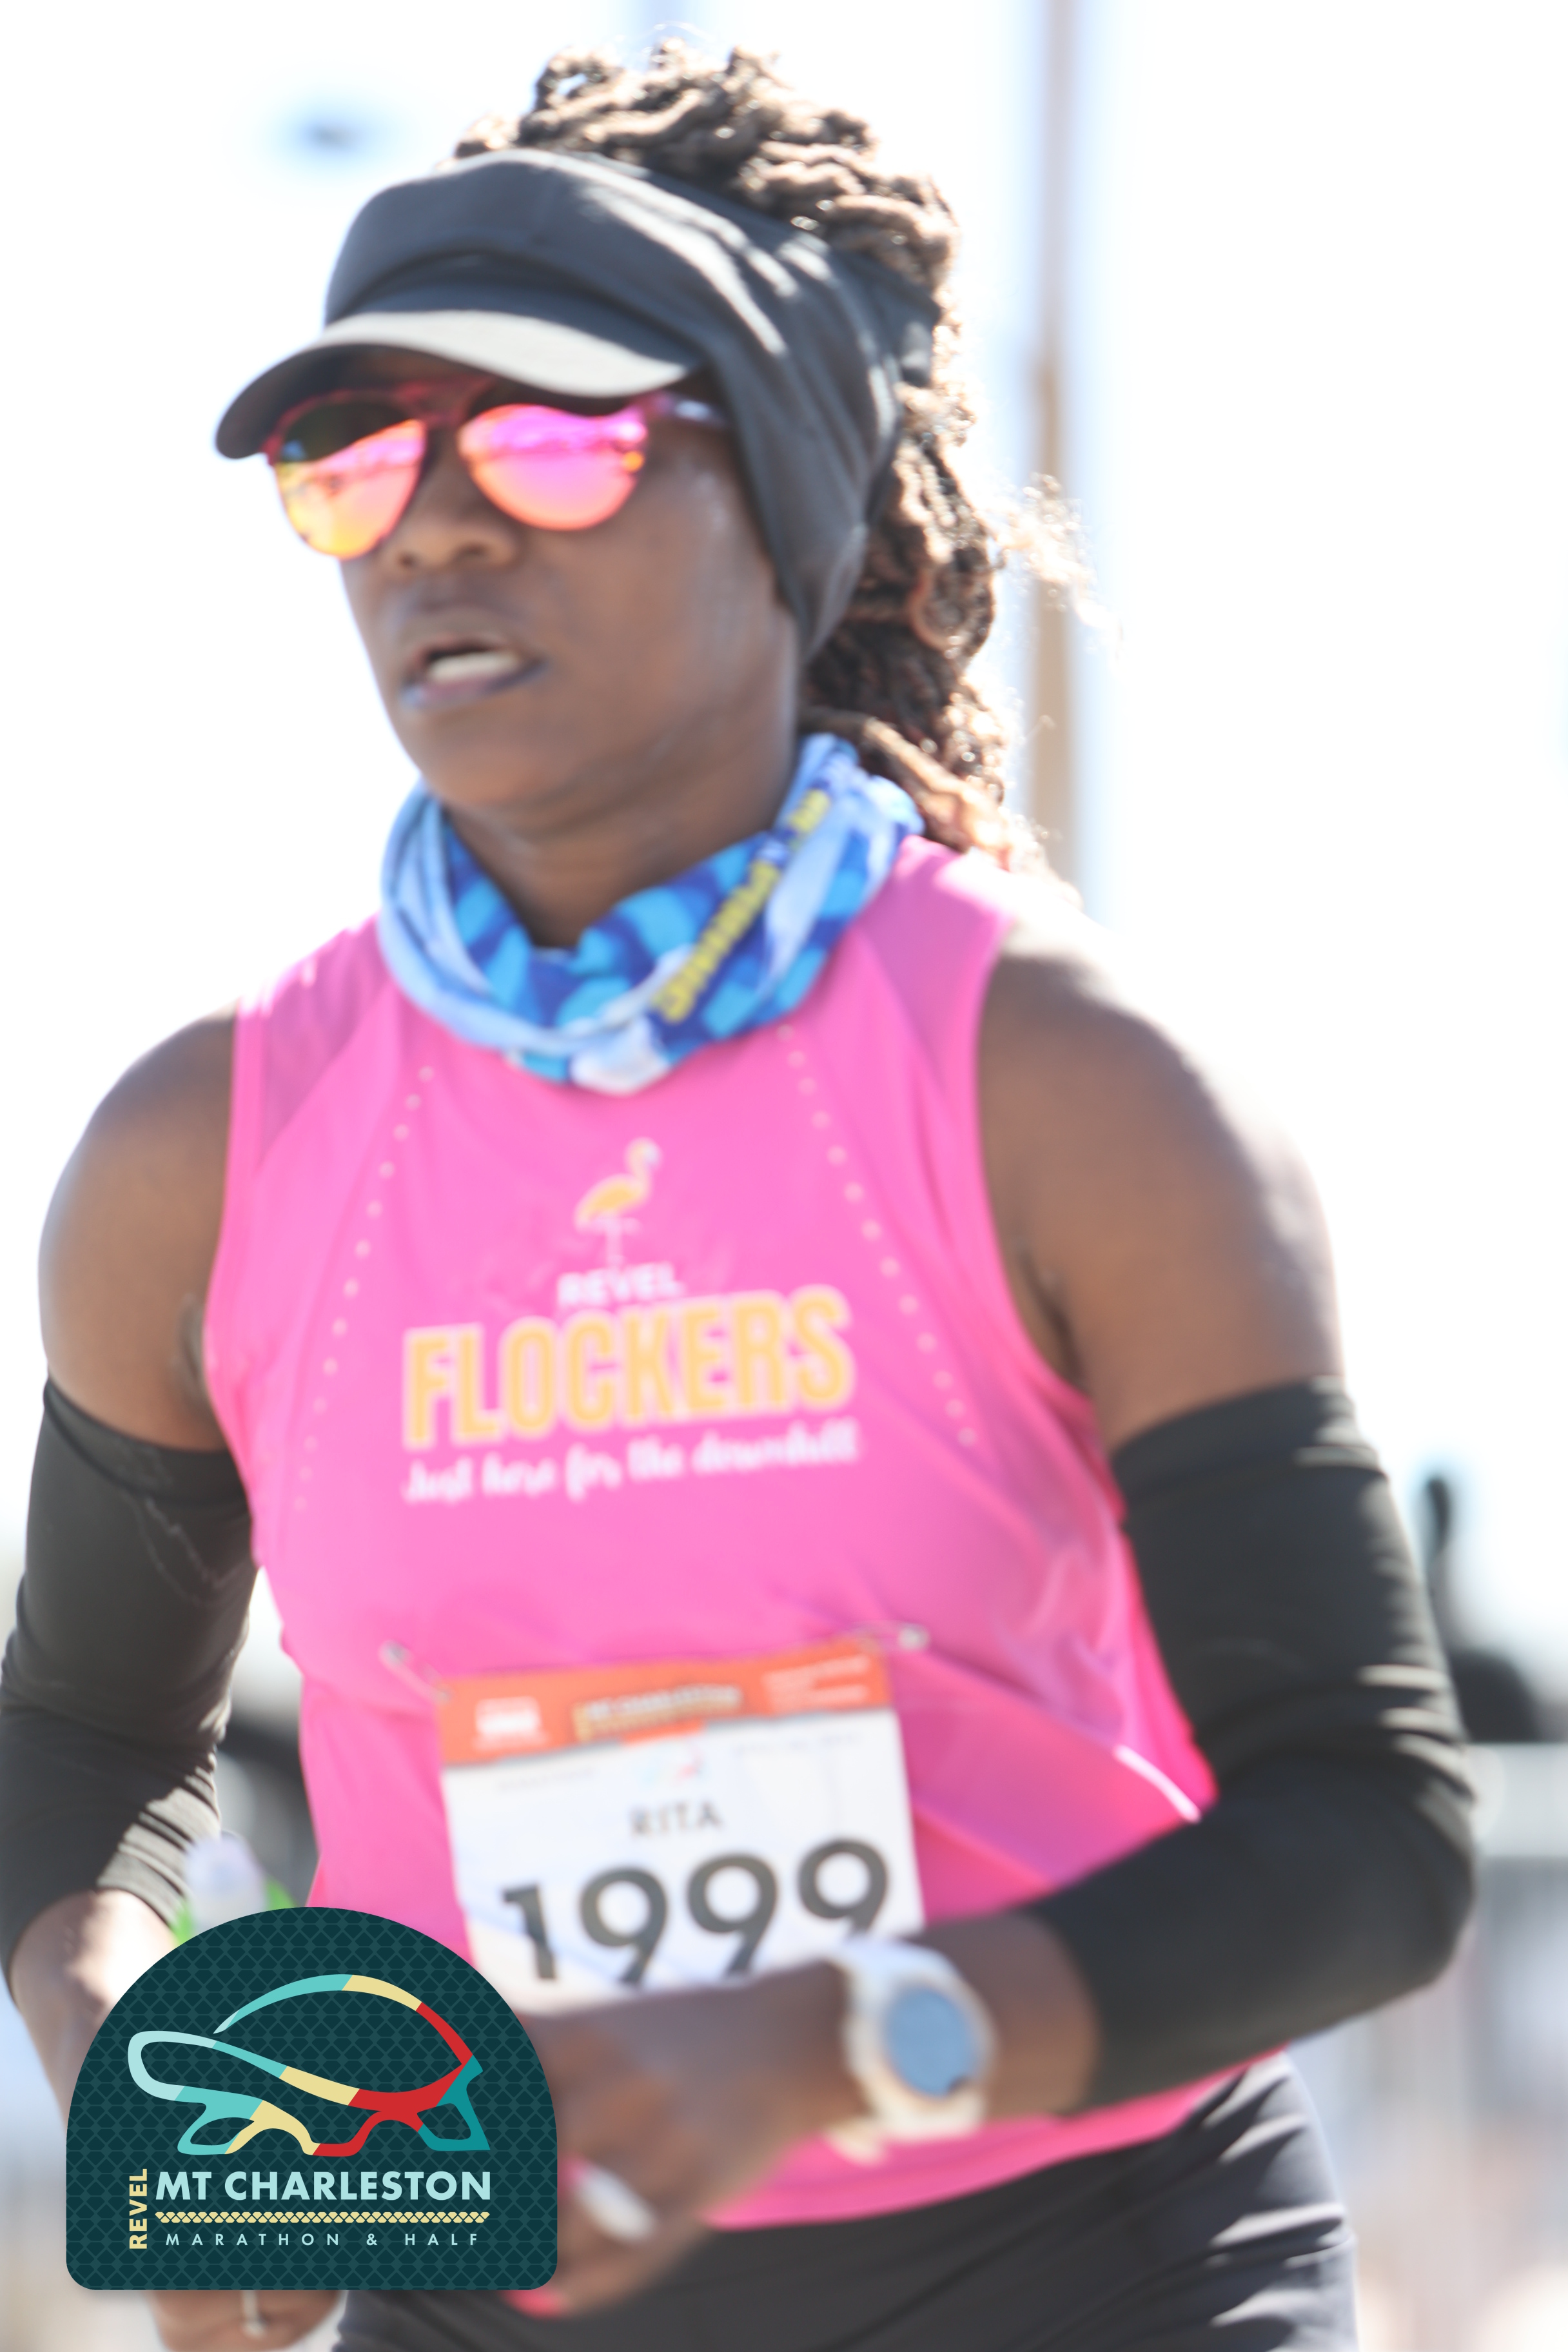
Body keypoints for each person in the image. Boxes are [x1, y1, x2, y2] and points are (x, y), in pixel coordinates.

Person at [1, 41, 1473, 2352]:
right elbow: (87, 1743)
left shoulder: (1067, 1085)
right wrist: (137, 2050)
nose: (440, 528)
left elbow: (1365, 1836)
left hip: (1093, 2278)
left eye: (558, 443)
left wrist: (835, 2040)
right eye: (358, 461)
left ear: (799, 513)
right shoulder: (210, 1148)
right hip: (481, 2290)